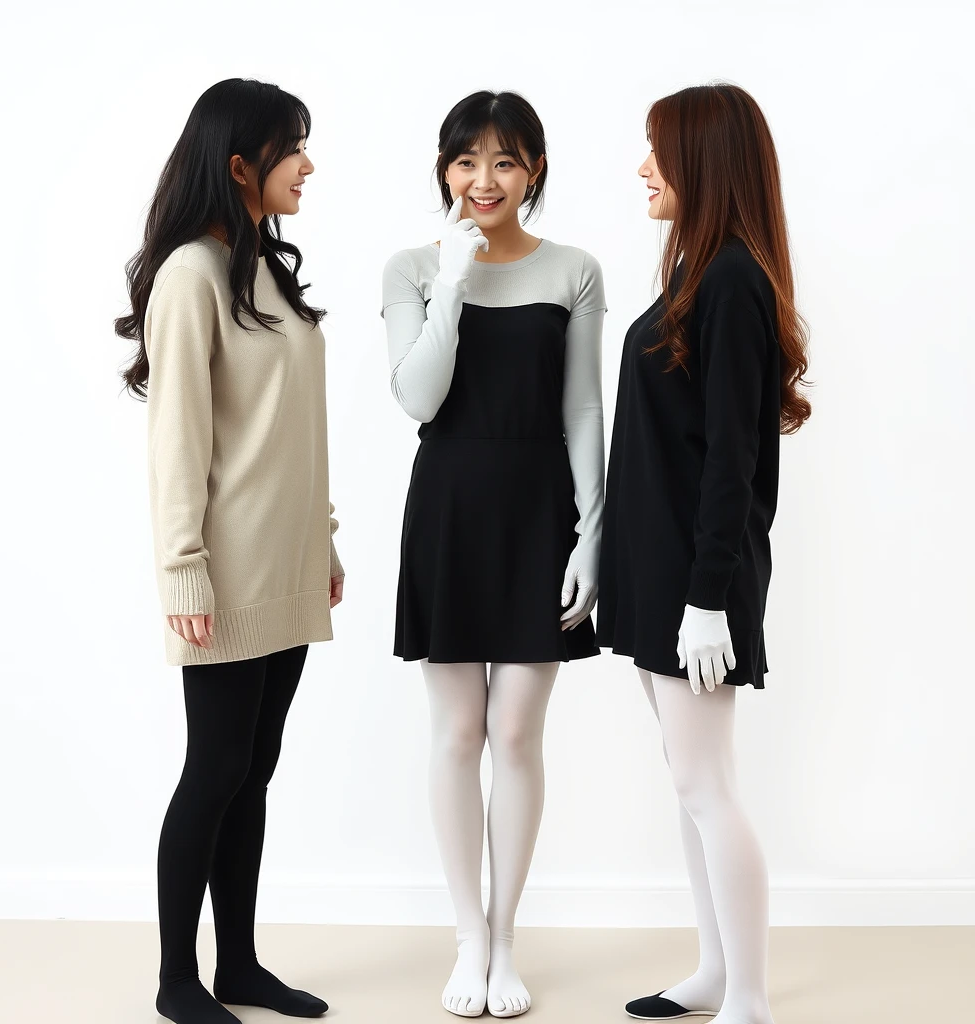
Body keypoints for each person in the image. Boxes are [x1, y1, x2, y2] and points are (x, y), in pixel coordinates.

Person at [115, 78, 343, 1024]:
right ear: (241, 162)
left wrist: (323, 537)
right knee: (213, 769)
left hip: (287, 564)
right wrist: (182, 566)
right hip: (224, 569)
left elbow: (294, 427)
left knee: (254, 768)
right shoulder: (189, 278)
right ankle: (178, 979)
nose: (308, 164)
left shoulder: (266, 272)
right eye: (293, 146)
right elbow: (180, 442)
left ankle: (240, 965)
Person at [381, 90, 606, 1018]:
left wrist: (594, 531)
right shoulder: (410, 268)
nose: (486, 180)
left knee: (515, 732)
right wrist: (456, 278)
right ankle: (467, 939)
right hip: (449, 509)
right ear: (445, 170)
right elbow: (419, 399)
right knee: (457, 733)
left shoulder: (575, 270)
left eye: (506, 162)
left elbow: (584, 407)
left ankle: (506, 937)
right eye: (468, 162)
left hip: (537, 511)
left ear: (535, 172)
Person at [597, 83, 812, 1024]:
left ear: (704, 163)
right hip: (660, 574)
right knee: (694, 787)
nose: (643, 168)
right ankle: (715, 972)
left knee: (706, 786)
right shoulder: (697, 274)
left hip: (699, 581)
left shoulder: (731, 281)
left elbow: (734, 459)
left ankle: (751, 997)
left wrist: (708, 596)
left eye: (658, 152)